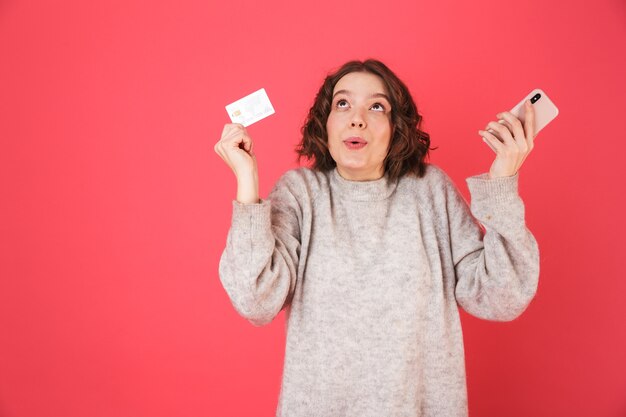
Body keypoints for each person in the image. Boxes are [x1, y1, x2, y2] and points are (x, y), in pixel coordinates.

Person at [214, 59, 539, 417]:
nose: (357, 118)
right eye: (342, 103)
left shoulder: (430, 192)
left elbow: (501, 297)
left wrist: (503, 182)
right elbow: (255, 300)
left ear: (396, 128)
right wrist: (247, 182)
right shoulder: (300, 194)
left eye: (376, 106)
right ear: (325, 123)